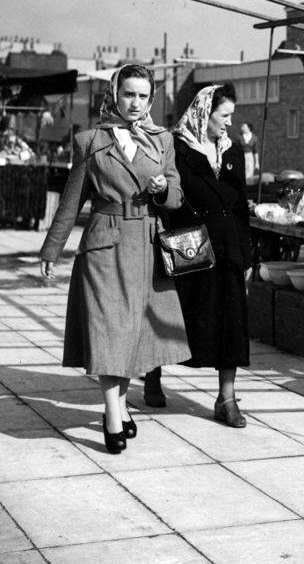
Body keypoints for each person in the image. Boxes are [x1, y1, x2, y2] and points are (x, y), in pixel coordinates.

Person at [39, 64, 190, 454]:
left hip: (147, 246)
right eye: (128, 94)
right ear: (115, 94)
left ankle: (120, 406)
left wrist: (161, 189)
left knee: (133, 334)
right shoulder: (89, 140)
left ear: (151, 100)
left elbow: (176, 195)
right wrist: (52, 249)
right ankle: (111, 413)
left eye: (143, 96)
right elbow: (72, 202)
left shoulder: (163, 141)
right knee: (109, 330)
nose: (135, 103)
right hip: (104, 245)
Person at [147, 84, 252, 427]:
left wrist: (247, 255)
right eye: (224, 115)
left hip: (229, 249)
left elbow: (240, 206)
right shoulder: (176, 148)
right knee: (176, 318)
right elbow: (168, 197)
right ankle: (153, 374)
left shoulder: (233, 152)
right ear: (205, 113)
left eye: (232, 116)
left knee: (232, 324)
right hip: (190, 247)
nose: (229, 123)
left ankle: (227, 398)